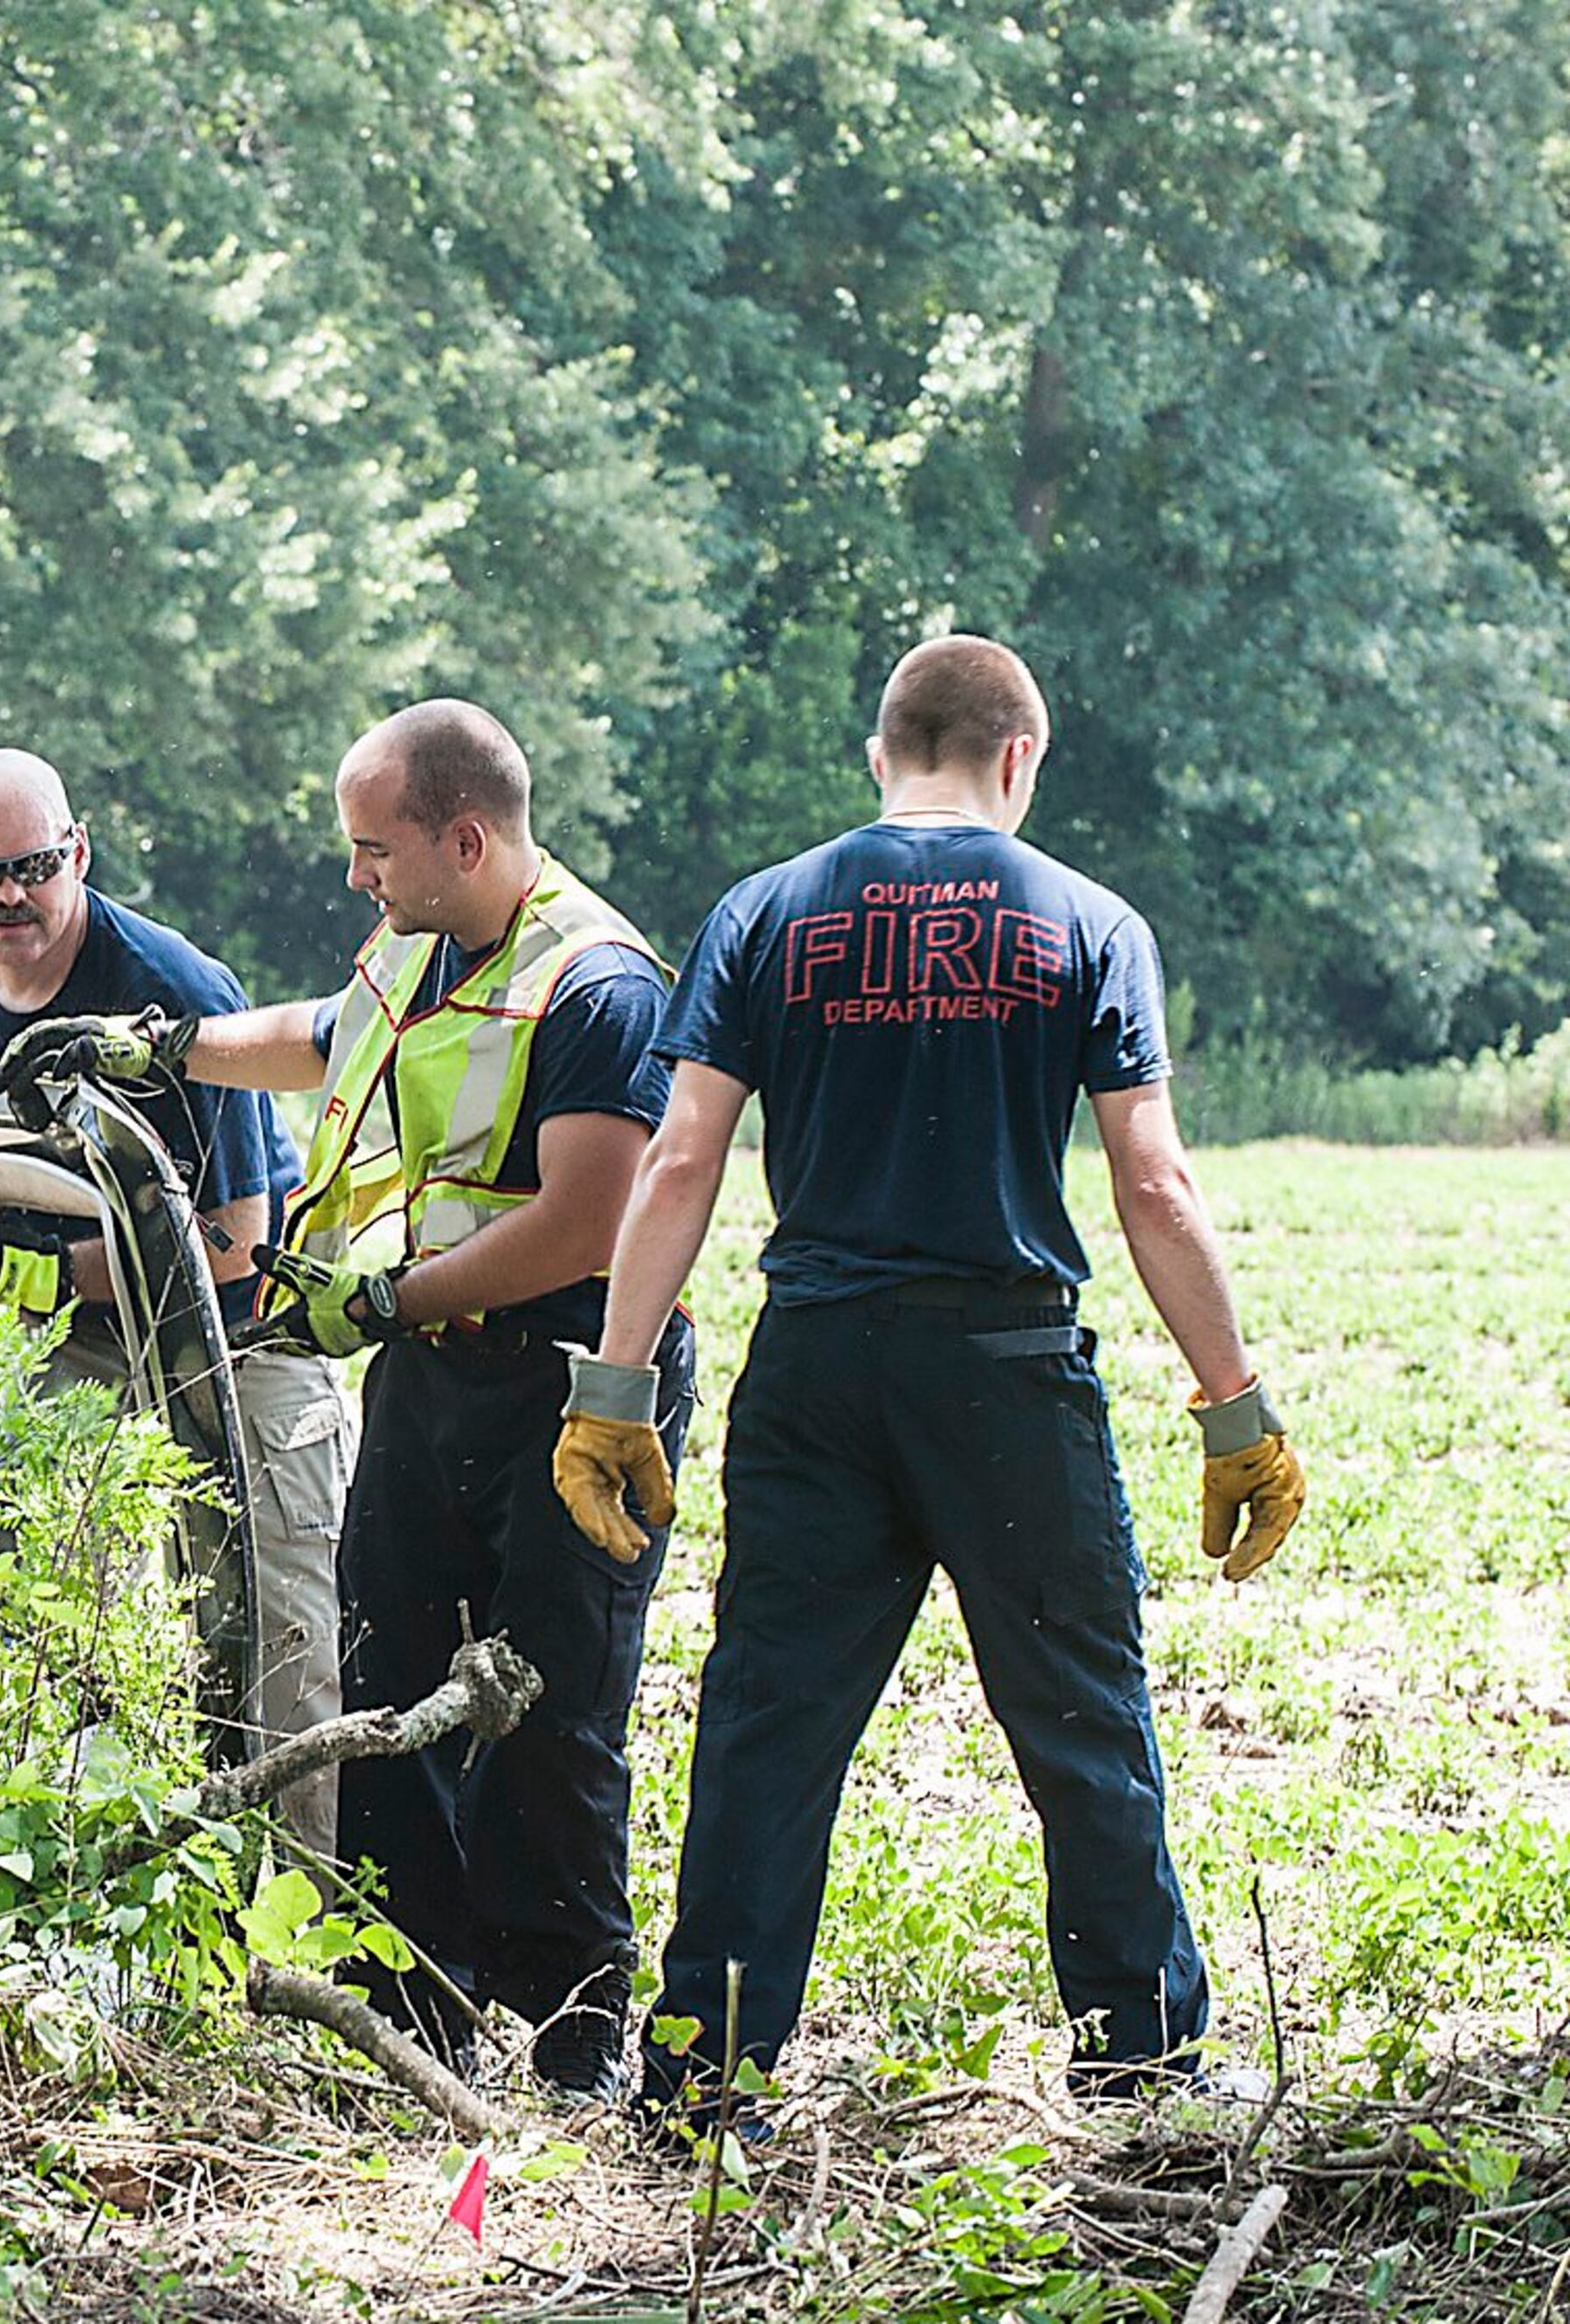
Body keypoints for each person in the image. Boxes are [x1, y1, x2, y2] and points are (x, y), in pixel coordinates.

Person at [554, 633, 1306, 2114]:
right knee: (1082, 1717)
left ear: (882, 754)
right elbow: (1153, 1185)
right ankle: (1145, 2066)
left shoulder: (765, 913)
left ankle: (702, 2071)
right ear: (1016, 758)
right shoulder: (1091, 920)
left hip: (817, 1369)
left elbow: (686, 1156)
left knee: (769, 1721)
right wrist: (1236, 1410)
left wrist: (614, 1388)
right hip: (1008, 1371)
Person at [0, 701, 687, 2094]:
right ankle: (411, 2013)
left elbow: (589, 1222)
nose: (356, 876)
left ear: (466, 836)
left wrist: (374, 1302)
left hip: (574, 1381)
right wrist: (160, 1048)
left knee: (550, 1711)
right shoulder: (421, 944)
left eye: (375, 849)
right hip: (436, 1367)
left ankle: (573, 2040)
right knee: (387, 1679)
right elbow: (324, 1035)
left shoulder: (599, 988)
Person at [0, 748, 354, 1850]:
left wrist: (25, 1274)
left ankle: (288, 1920)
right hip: (64, 1341)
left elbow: (237, 1245)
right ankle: (67, 1887)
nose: (8, 896)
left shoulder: (175, 990)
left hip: (236, 1337)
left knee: (272, 1630)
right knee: (25, 1606)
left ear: (77, 854)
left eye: (34, 866)